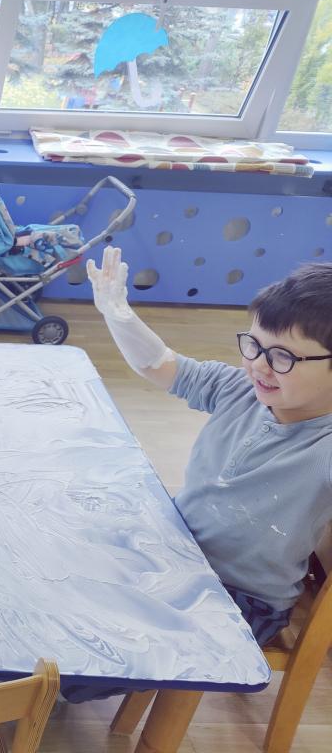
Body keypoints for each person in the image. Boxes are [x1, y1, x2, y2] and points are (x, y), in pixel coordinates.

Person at [88, 246, 332, 646]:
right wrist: (119, 314)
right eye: (253, 345)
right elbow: (158, 364)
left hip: (240, 599)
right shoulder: (239, 389)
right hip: (174, 551)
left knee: (117, 639)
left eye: (283, 357)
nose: (259, 365)